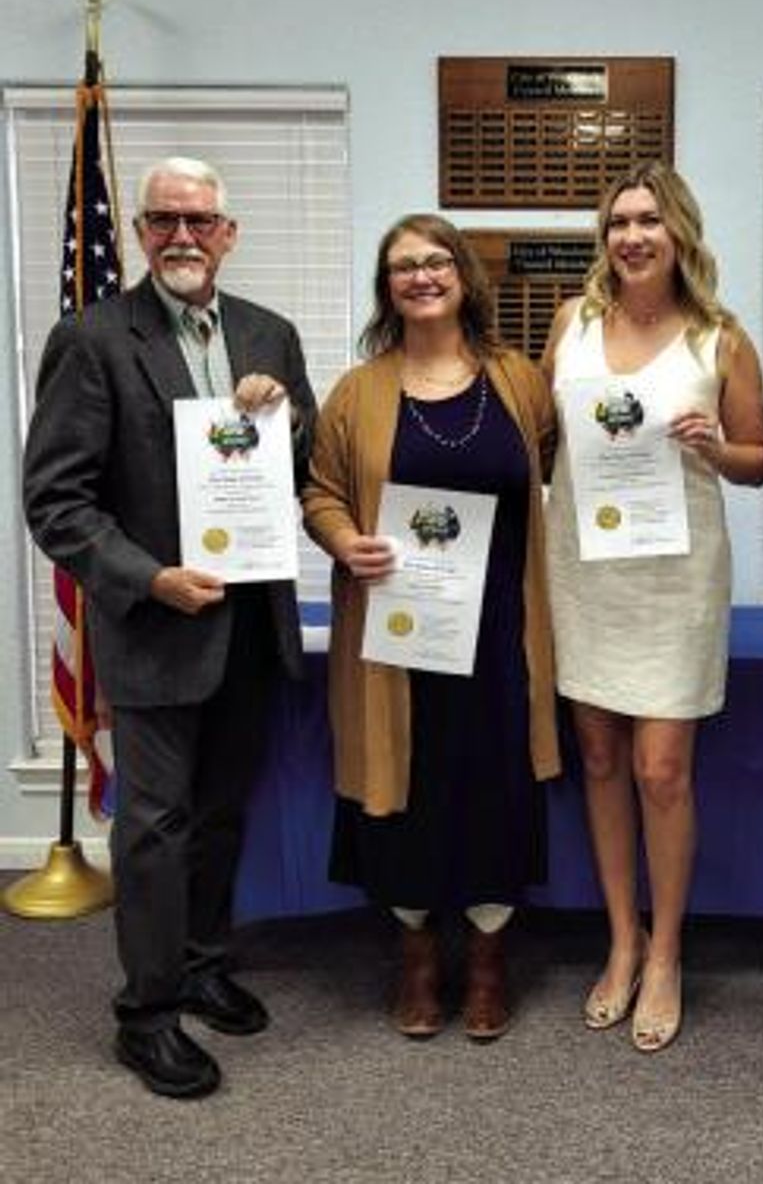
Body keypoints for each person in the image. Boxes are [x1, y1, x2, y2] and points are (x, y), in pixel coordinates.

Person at [23, 156, 317, 1098]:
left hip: (250, 624)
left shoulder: (270, 333)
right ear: (144, 233)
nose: (183, 236)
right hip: (156, 627)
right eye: (164, 220)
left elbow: (291, 461)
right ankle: (146, 1013)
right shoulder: (94, 339)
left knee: (223, 811)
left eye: (202, 220)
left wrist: (289, 415)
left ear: (229, 234)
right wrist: (149, 579)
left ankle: (199, 964)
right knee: (154, 824)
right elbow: (56, 502)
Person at [302, 214, 560, 1041]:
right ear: (388, 287)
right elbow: (321, 492)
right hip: (397, 632)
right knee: (401, 792)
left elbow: (556, 465)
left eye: (436, 260)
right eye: (403, 266)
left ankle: (486, 960)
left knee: (494, 786)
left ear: (463, 277)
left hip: (499, 633)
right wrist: (344, 540)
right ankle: (416, 955)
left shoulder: (518, 380)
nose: (421, 275)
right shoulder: (357, 392)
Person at [543, 162, 763, 1052]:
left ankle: (669, 951)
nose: (631, 237)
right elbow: (540, 434)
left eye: (648, 221)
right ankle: (621, 939)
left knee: (661, 770)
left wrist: (717, 446)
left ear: (680, 231)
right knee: (597, 757)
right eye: (616, 223)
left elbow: (760, 459)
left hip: (675, 573)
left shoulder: (720, 338)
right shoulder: (573, 323)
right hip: (585, 564)